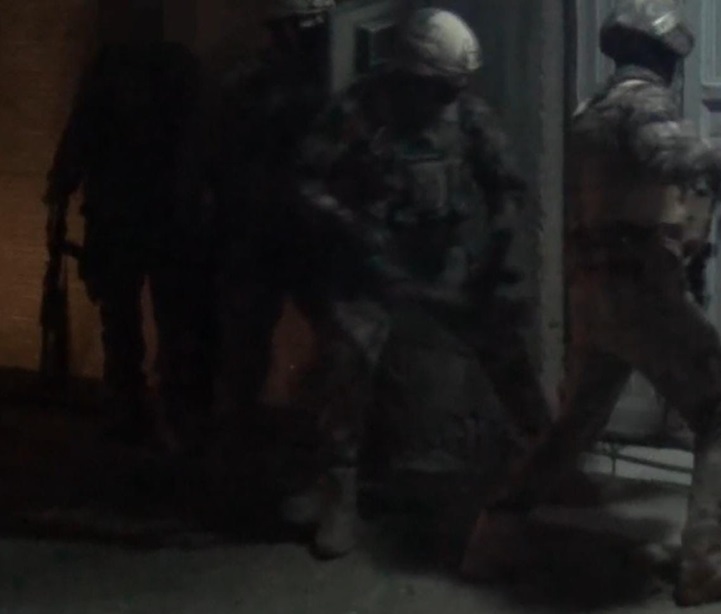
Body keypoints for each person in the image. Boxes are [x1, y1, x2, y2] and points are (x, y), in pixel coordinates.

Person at [461, 0, 721, 608]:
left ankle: (492, 537)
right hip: (642, 290)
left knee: (575, 425)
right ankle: (704, 562)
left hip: (593, 292)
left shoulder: (591, 110)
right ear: (663, 56)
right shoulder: (643, 103)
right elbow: (669, 156)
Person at [286, 6, 552, 559]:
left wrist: (494, 250)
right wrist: (352, 226)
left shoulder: (465, 112)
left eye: (453, 87)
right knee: (345, 368)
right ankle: (338, 491)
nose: (446, 98)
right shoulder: (358, 109)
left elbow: (506, 185)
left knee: (505, 350)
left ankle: (551, 464)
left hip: (443, 257)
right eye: (438, 87)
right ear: (408, 74)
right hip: (369, 268)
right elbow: (307, 182)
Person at [44, 37, 212, 449]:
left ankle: (137, 407)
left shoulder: (116, 65)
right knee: (156, 320)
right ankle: (158, 410)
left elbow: (81, 132)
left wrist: (61, 188)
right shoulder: (173, 65)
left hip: (130, 216)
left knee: (133, 321)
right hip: (150, 217)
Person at [204, 0, 337, 459]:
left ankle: (256, 440)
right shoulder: (267, 85)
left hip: (285, 231)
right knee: (247, 345)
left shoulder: (259, 83)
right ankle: (241, 443)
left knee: (337, 337)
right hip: (267, 232)